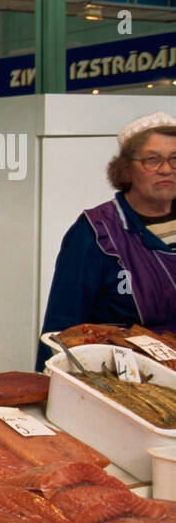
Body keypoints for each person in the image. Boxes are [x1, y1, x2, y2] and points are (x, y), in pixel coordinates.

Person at [39, 111, 176, 369]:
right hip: (122, 381)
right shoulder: (95, 232)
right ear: (126, 169)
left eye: (175, 159)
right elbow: (62, 330)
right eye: (152, 160)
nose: (166, 169)